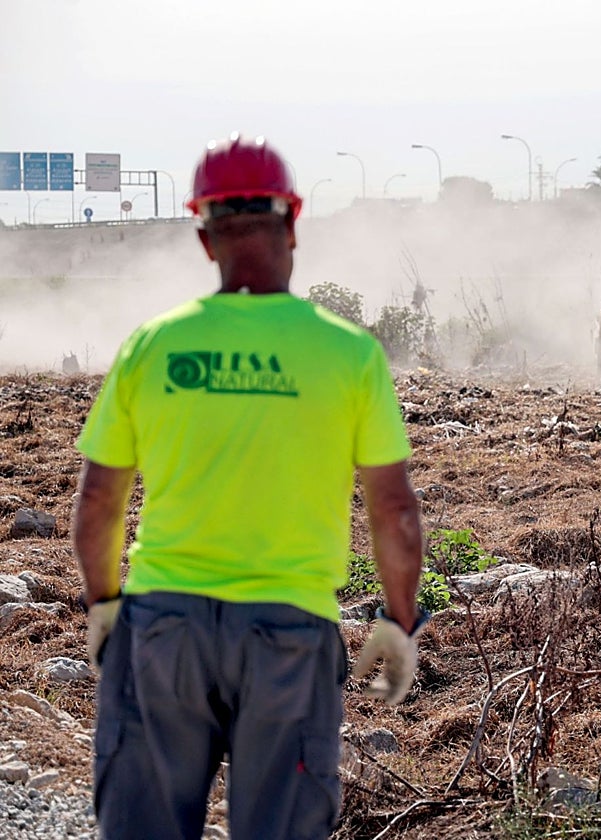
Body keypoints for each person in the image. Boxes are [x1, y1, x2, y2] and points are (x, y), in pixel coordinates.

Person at [72, 132, 427, 840]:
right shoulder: (349, 353)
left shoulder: (153, 345)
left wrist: (106, 606)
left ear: (206, 239)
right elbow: (393, 510)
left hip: (161, 632)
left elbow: (99, 504)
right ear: (292, 222)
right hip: (290, 639)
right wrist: (398, 619)